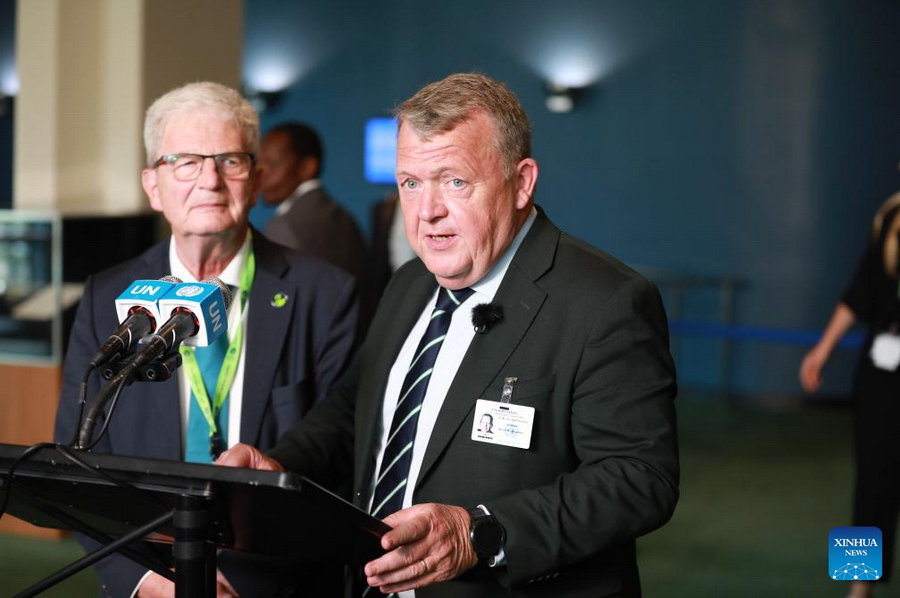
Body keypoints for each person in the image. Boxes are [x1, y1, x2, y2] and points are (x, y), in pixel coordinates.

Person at [219, 72, 679, 597]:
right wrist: (281, 464)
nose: (427, 212)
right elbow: (351, 410)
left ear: (522, 182)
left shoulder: (605, 301)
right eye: (411, 183)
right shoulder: (409, 282)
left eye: (455, 181)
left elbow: (639, 479)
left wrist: (479, 533)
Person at [54, 81, 359, 598]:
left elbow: (341, 452)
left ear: (256, 180)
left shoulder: (325, 295)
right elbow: (78, 462)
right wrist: (146, 580)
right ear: (153, 186)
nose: (210, 181)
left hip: (275, 585)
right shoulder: (107, 297)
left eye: (229, 161)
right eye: (185, 162)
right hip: (150, 581)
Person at [800, 191, 900, 598]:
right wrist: (821, 350)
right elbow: (859, 292)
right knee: (871, 480)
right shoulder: (889, 220)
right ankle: (858, 584)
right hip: (882, 373)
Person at [257, 121, 367, 281]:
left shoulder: (285, 226)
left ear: (307, 167)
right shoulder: (344, 218)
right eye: (259, 165)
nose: (260, 175)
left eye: (271, 165)